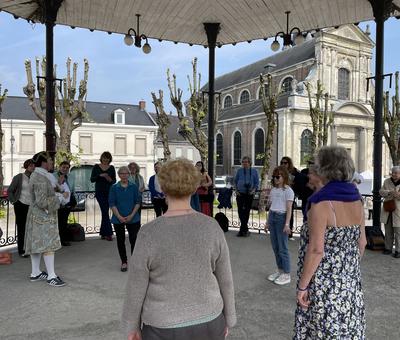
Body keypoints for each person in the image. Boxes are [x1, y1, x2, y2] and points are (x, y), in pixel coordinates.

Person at [122, 159, 236, 340]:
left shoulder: (148, 233)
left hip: (162, 325)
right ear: (193, 188)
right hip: (210, 320)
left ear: (163, 188)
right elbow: (225, 279)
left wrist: (131, 326)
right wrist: (229, 319)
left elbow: (136, 286)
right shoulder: (211, 227)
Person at [294, 146, 366, 339]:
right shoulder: (357, 200)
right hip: (350, 284)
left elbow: (316, 250)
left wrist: (302, 286)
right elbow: (362, 243)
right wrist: (345, 271)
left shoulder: (321, 205)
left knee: (322, 331)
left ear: (325, 169)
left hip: (324, 286)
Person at [24, 151, 66, 287]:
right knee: (48, 245)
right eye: (50, 160)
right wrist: (59, 197)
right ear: (43, 162)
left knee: (37, 245)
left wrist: (56, 189)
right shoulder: (40, 178)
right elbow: (42, 202)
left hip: (37, 216)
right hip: (42, 216)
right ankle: (51, 276)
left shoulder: (40, 175)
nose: (52, 163)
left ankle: (35, 273)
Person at [265, 166, 294, 286]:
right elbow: (270, 207)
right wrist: (267, 222)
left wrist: (287, 224)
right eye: (274, 177)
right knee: (275, 247)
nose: (276, 179)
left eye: (278, 176)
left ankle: (286, 273)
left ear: (284, 177)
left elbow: (289, 209)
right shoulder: (273, 190)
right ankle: (280, 270)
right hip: (273, 216)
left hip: (282, 218)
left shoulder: (288, 191)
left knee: (283, 247)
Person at [109, 166, 141, 272]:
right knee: (120, 240)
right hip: (118, 218)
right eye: (121, 173)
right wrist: (119, 216)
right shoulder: (114, 187)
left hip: (133, 218)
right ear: (119, 175)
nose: (124, 175)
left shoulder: (134, 186)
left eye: (126, 173)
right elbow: (112, 203)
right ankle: (124, 262)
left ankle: (135, 262)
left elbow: (137, 202)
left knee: (134, 240)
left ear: (129, 174)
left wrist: (131, 215)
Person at [7, 159, 35, 256]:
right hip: (20, 204)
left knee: (30, 227)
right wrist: (14, 201)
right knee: (21, 227)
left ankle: (29, 248)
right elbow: (10, 190)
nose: (33, 167)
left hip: (31, 205)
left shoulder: (34, 178)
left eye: (33, 166)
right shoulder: (19, 177)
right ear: (26, 166)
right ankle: (21, 250)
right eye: (31, 165)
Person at [90, 151, 116, 241]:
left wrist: (109, 179)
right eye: (104, 157)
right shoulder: (96, 167)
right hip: (100, 192)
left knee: (105, 212)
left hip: (109, 192)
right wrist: (100, 175)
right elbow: (92, 179)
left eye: (107, 158)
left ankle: (103, 233)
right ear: (101, 158)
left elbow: (114, 181)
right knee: (105, 211)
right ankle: (108, 233)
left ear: (109, 159)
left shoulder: (112, 168)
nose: (105, 159)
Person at [280, 156, 308, 238]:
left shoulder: (294, 171)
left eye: (285, 163)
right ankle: (281, 231)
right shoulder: (279, 171)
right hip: (281, 193)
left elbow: (299, 181)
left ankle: (289, 233)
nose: (283, 164)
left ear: (289, 163)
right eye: (282, 163)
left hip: (290, 194)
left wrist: (294, 185)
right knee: (281, 213)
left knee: (289, 213)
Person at [234, 156, 259, 237]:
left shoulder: (254, 171)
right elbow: (235, 181)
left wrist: (253, 190)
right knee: (240, 211)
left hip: (249, 194)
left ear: (250, 163)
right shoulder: (239, 171)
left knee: (246, 211)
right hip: (240, 193)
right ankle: (245, 229)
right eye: (243, 162)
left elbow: (256, 183)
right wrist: (236, 191)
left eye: (246, 162)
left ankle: (242, 230)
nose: (244, 163)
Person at [379, 166, 400, 258]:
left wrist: (398, 195)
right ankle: (388, 248)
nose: (394, 174)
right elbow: (381, 191)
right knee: (388, 231)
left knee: (398, 232)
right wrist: (389, 192)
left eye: (396, 173)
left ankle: (398, 250)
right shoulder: (387, 181)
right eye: (393, 172)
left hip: (398, 210)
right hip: (388, 209)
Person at [53, 161, 73, 246]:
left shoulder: (70, 177)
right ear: (59, 167)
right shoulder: (53, 175)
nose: (65, 169)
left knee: (64, 221)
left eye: (67, 168)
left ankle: (63, 239)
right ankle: (57, 240)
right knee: (57, 222)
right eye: (63, 167)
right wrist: (59, 182)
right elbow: (53, 189)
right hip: (58, 202)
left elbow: (72, 188)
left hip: (67, 202)